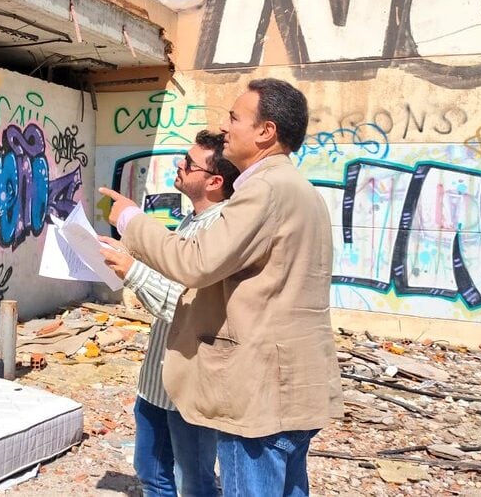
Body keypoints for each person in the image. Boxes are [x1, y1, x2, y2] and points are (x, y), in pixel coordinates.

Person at [99, 79, 344, 497]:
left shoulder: (265, 191)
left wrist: (129, 221)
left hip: (262, 393)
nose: (226, 127)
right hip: (292, 387)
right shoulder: (299, 191)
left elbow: (194, 263)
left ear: (265, 131)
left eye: (234, 117)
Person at [123, 131, 239, 497]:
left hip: (190, 387)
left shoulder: (222, 230)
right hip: (157, 381)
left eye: (189, 163)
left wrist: (129, 269)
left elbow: (186, 306)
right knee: (151, 471)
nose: (180, 165)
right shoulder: (192, 221)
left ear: (215, 181)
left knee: (197, 481)